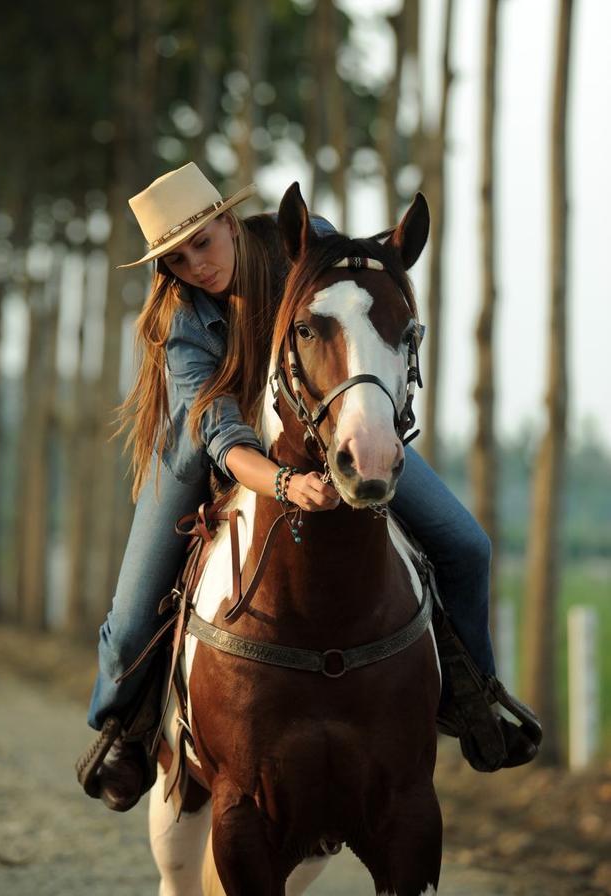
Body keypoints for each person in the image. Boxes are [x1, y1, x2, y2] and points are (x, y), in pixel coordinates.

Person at [79, 162, 538, 813]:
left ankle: (474, 698)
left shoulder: (303, 243)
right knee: (129, 624)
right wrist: (287, 484)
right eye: (176, 260)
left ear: (229, 224)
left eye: (202, 244)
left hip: (326, 430)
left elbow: (362, 292)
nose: (196, 266)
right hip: (213, 456)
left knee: (468, 547)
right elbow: (222, 437)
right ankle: (120, 729)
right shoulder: (181, 319)